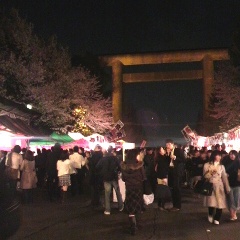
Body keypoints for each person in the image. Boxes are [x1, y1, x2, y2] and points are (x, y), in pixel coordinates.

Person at [121, 149, 146, 235]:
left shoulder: (124, 166)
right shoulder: (139, 165)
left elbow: (123, 179)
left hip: (129, 188)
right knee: (137, 206)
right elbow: (143, 177)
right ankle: (138, 224)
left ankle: (133, 226)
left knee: (131, 208)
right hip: (138, 188)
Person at [203, 150, 230, 225]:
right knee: (211, 203)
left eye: (220, 156)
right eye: (217, 155)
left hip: (219, 186)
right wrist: (211, 172)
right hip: (211, 186)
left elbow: (224, 178)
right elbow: (205, 176)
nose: (219, 157)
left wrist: (227, 188)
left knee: (220, 203)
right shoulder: (207, 165)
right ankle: (210, 214)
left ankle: (217, 218)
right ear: (214, 156)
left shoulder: (221, 166)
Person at [96, 146, 124, 215]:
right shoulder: (115, 158)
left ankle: (107, 209)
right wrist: (118, 172)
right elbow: (120, 166)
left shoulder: (103, 159)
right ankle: (120, 206)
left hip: (106, 177)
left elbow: (97, 166)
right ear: (112, 151)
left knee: (107, 193)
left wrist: (102, 172)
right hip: (114, 177)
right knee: (118, 192)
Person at [165, 139, 185, 211]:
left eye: (168, 145)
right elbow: (167, 161)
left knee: (177, 188)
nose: (167, 146)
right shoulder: (168, 152)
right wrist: (167, 154)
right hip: (171, 171)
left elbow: (183, 159)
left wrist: (175, 157)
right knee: (172, 188)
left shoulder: (178, 150)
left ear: (172, 144)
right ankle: (174, 204)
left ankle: (177, 205)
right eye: (166, 145)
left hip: (177, 172)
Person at [222, 150, 240, 221]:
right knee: (230, 199)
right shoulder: (225, 163)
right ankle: (232, 213)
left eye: (234, 154)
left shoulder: (238, 163)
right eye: (231, 154)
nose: (232, 156)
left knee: (236, 199)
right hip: (228, 183)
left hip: (237, 183)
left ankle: (234, 212)